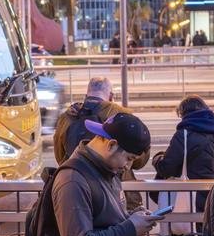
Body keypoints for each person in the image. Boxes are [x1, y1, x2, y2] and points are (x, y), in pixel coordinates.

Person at [55, 79, 148, 212]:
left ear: (86, 96)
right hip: (119, 193)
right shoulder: (119, 114)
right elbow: (139, 160)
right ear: (111, 96)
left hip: (78, 189)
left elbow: (60, 157)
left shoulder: (67, 117)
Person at [152, 95, 214, 214]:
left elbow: (167, 168)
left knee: (187, 230)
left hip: (190, 198)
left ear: (184, 113)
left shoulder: (184, 134)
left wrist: (157, 159)